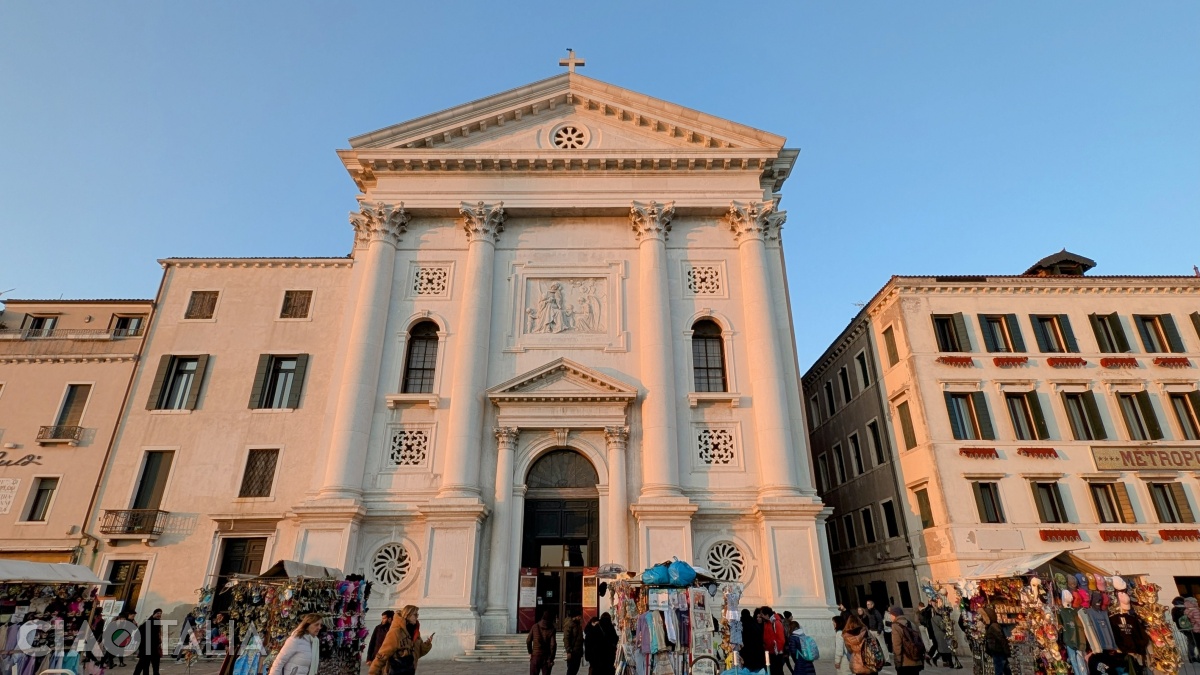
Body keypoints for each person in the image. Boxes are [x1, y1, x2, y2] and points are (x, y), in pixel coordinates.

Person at [370, 605, 433, 675]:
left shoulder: (415, 633)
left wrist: (427, 644)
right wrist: (373, 672)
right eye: (415, 615)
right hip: (395, 671)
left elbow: (418, 653)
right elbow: (383, 654)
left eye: (417, 614)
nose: (417, 617)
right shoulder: (396, 632)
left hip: (410, 671)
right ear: (407, 615)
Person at [888, 606, 924, 675]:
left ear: (894, 615)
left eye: (891, 615)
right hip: (915, 658)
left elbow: (897, 646)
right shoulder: (911, 623)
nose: (890, 617)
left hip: (905, 661)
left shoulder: (895, 626)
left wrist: (897, 662)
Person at [132, 609, 163, 675]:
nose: (159, 615)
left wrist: (159, 641)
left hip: (154, 647)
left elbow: (157, 634)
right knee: (143, 664)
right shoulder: (148, 623)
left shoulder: (157, 622)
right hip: (146, 647)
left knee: (154, 664)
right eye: (158, 613)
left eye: (160, 613)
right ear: (154, 614)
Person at [981, 606, 1011, 675]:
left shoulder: (993, 626)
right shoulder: (991, 626)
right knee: (1005, 669)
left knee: (999, 670)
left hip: (998, 652)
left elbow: (1001, 639)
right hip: (997, 652)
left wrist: (1006, 651)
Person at [527, 609, 557, 675]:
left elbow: (528, 640)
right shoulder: (552, 629)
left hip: (535, 655)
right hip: (546, 656)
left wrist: (530, 652)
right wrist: (551, 658)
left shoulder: (535, 626)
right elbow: (553, 645)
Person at [760, 606, 788, 675]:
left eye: (762, 615)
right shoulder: (767, 622)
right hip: (770, 651)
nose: (761, 617)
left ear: (767, 615)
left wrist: (776, 650)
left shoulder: (776, 623)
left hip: (776, 653)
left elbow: (781, 639)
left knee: (777, 671)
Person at [864, 601, 887, 666]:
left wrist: (879, 630)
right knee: (874, 646)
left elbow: (880, 621)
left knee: (882, 645)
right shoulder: (868, 612)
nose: (867, 606)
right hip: (871, 630)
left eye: (869, 604)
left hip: (877, 630)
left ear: (872, 605)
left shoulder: (876, 612)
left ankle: (887, 660)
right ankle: (877, 659)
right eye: (867, 604)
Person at [563, 608, 584, 675]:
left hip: (578, 651)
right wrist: (568, 650)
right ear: (575, 616)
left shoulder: (578, 624)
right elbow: (566, 638)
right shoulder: (569, 624)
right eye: (579, 616)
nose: (580, 617)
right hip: (572, 651)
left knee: (575, 669)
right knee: (571, 670)